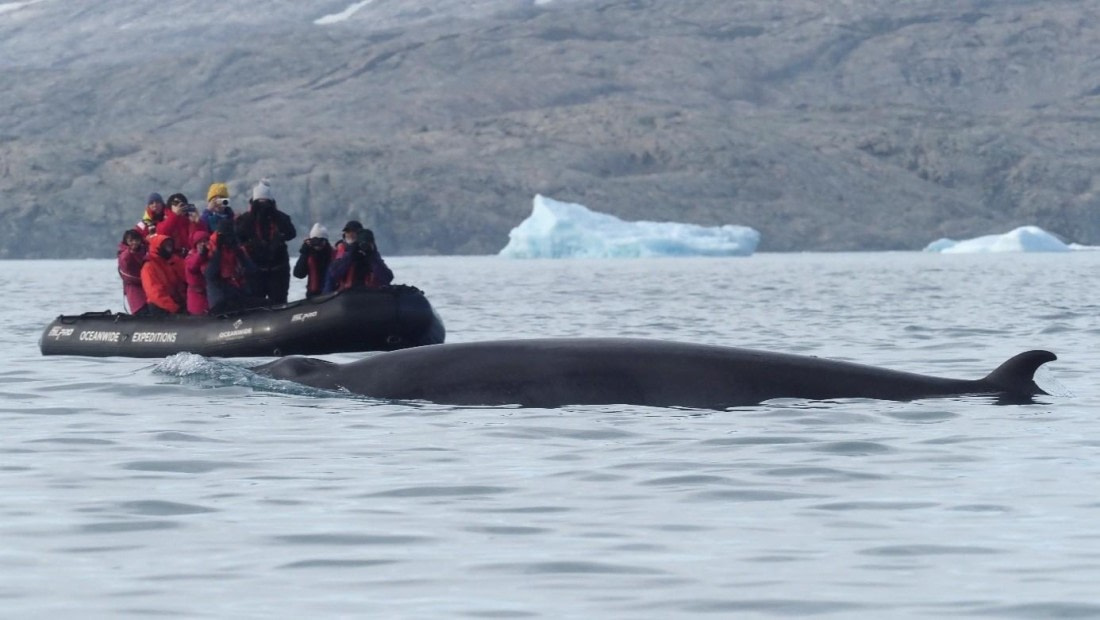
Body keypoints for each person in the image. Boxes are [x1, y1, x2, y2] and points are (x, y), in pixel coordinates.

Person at [235, 179, 296, 304]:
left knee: (279, 303)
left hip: (278, 269)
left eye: (266, 202)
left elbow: (291, 233)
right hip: (255, 271)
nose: (263, 206)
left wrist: (275, 214)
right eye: (259, 203)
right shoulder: (245, 220)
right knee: (256, 305)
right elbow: (237, 238)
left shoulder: (281, 218)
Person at [324, 220, 394, 293]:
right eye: (347, 231)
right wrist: (351, 254)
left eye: (354, 231)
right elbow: (334, 273)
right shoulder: (341, 250)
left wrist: (370, 256)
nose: (350, 234)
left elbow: (387, 277)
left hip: (368, 293)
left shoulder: (371, 252)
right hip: (345, 294)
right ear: (344, 234)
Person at [206, 220, 257, 314]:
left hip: (238, 292)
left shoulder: (236, 248)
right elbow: (210, 275)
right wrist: (219, 250)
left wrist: (239, 252)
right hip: (220, 297)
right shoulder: (209, 249)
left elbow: (252, 269)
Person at [140, 235, 186, 315]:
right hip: (160, 307)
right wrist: (174, 308)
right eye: (166, 245)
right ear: (156, 247)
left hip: (176, 303)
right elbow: (155, 293)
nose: (169, 248)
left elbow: (184, 278)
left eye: (170, 245)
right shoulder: (148, 267)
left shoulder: (173, 261)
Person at [159, 193, 208, 258]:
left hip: (189, 258)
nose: (179, 206)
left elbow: (199, 240)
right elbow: (163, 233)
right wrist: (175, 215)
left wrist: (197, 223)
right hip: (172, 259)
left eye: (182, 204)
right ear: (170, 206)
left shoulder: (189, 221)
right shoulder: (164, 221)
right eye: (176, 203)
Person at [293, 223, 334, 298]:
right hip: (313, 296)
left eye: (320, 240)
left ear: (326, 241)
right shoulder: (308, 254)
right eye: (314, 240)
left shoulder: (332, 254)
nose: (317, 244)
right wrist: (304, 253)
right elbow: (298, 274)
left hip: (331, 293)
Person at [117, 229, 148, 314]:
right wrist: (131, 252)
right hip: (134, 288)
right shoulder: (124, 255)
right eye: (131, 240)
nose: (134, 242)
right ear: (126, 241)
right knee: (140, 309)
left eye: (136, 240)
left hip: (147, 287)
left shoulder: (144, 250)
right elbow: (125, 265)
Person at [184, 230, 211, 315]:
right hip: (197, 297)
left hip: (208, 294)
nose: (203, 244)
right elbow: (192, 266)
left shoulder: (211, 254)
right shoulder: (190, 257)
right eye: (200, 242)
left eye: (205, 241)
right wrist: (200, 254)